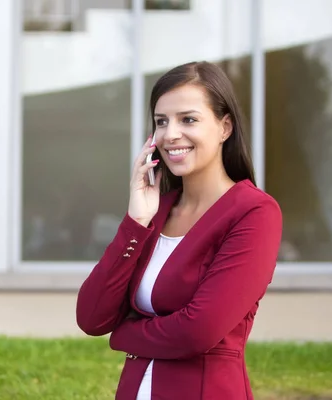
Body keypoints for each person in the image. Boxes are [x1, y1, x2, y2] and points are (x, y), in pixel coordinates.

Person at [75, 61, 283, 400]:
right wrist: (136, 221)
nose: (170, 134)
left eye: (188, 119)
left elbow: (198, 331)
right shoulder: (157, 211)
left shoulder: (254, 213)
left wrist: (124, 334)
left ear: (224, 127)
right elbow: (92, 316)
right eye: (161, 121)